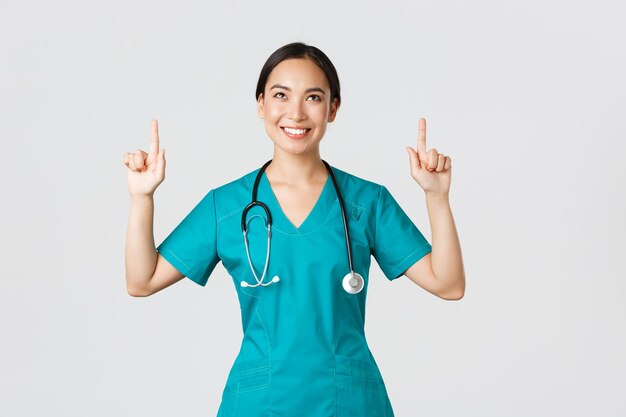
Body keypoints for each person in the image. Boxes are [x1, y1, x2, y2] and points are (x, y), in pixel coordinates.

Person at [123, 42, 465, 417]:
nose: (296, 113)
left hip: (349, 404)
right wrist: (142, 198)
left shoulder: (367, 202)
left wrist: (437, 198)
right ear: (261, 105)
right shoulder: (228, 206)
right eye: (280, 95)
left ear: (332, 108)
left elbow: (448, 284)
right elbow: (143, 280)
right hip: (258, 404)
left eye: (314, 97)